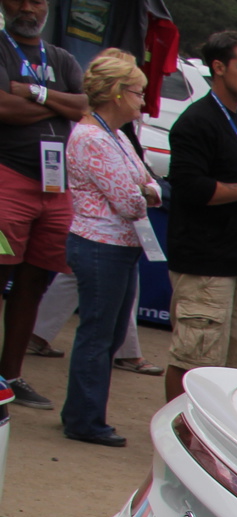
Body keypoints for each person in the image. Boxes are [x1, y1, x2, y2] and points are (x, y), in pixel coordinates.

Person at [164, 31, 237, 403]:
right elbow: (189, 188)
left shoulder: (236, 119)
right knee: (194, 360)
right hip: (204, 265)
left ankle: (218, 430)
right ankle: (179, 429)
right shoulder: (197, 121)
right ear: (218, 67)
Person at [58, 49, 156, 446]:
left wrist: (144, 191)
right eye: (138, 92)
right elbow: (132, 199)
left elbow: (145, 184)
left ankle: (83, 413)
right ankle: (84, 419)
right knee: (98, 335)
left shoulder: (114, 135)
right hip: (100, 244)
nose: (143, 101)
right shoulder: (93, 138)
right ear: (117, 92)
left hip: (117, 244)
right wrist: (145, 192)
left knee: (108, 334)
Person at [0, 0, 85, 412]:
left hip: (56, 187)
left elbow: (82, 106)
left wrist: (34, 93)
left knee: (34, 283)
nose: (27, 8)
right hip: (8, 178)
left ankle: (10, 376)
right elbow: (3, 108)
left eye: (36, 1)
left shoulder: (61, 58)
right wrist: (56, 101)